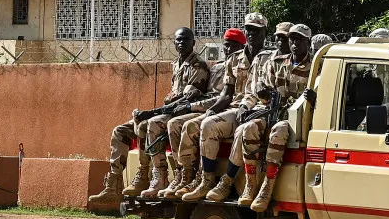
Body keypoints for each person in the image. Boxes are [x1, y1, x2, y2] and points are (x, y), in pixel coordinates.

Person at [88, 28, 209, 208]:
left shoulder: (198, 65)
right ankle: (113, 184)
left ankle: (153, 175)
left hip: (180, 113)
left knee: (147, 124)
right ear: (174, 43)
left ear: (193, 43)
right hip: (165, 110)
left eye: (186, 39)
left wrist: (152, 112)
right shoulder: (176, 64)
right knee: (120, 131)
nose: (182, 43)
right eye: (178, 40)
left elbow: (186, 100)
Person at [214, 23, 314, 211]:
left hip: (294, 121)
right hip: (271, 113)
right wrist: (263, 92)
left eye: (300, 39)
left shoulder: (315, 68)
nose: (294, 43)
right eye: (292, 39)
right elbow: (262, 91)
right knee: (249, 127)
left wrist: (313, 98)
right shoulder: (276, 63)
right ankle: (251, 184)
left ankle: (267, 186)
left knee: (278, 130)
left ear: (308, 42)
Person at [181, 13, 275, 202]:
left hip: (259, 109)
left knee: (242, 130)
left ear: (265, 32)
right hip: (235, 109)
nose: (251, 34)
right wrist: (212, 110)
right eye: (248, 29)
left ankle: (227, 181)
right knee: (207, 124)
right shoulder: (234, 59)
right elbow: (226, 93)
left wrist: (248, 107)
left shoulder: (271, 58)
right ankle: (205, 180)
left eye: (256, 30)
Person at [157, 28, 246, 199]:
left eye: (234, 46)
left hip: (225, 109)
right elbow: (208, 94)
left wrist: (193, 107)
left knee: (192, 125)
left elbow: (223, 98)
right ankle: (183, 174)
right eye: (226, 45)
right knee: (174, 124)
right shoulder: (218, 67)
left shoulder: (244, 66)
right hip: (208, 107)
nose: (228, 50)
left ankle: (203, 178)